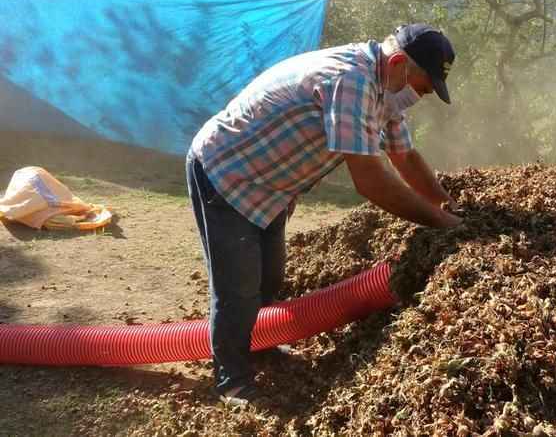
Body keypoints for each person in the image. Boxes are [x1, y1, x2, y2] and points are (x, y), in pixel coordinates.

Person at [186, 23, 462, 406]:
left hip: (272, 185)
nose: (421, 96)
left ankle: (260, 345)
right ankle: (232, 380)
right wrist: (444, 224)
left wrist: (447, 204)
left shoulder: (386, 88)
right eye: (422, 86)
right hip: (227, 171)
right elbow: (371, 181)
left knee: (270, 275)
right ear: (399, 63)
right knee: (238, 286)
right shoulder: (353, 81)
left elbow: (404, 156)